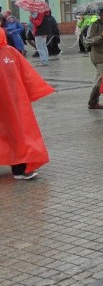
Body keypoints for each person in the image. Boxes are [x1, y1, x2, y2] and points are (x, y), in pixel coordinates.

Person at [0, 28, 54, 180]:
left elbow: (26, 74)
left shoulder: (11, 52)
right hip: (8, 103)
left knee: (18, 134)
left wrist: (34, 91)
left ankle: (20, 168)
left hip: (13, 103)